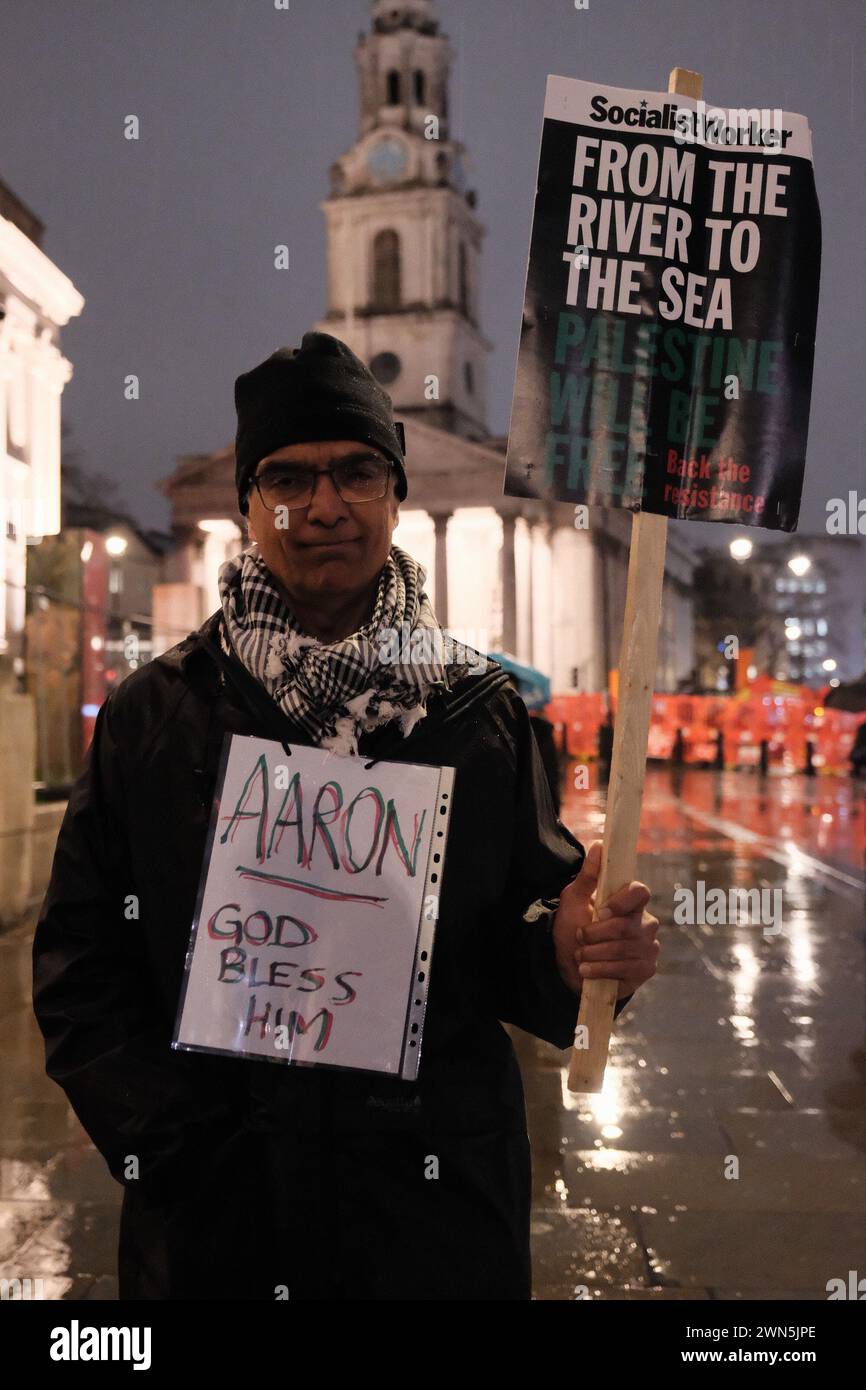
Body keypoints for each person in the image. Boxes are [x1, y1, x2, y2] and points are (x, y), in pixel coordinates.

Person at [32, 332, 659, 1301]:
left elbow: (519, 949)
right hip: (220, 1226)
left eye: (357, 471)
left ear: (396, 495)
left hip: (432, 1215)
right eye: (287, 476)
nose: (324, 505)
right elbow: (81, 970)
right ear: (246, 505)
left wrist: (573, 959)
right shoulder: (154, 715)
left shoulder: (479, 708)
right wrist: (177, 1147)